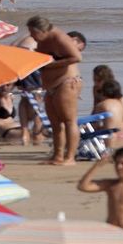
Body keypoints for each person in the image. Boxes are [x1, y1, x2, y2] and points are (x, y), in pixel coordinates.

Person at [27, 15, 82, 166]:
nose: (31, 36)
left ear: (43, 30)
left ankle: (70, 158)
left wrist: (51, 65)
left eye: (33, 33)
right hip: (50, 85)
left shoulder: (59, 38)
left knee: (69, 120)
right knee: (55, 123)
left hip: (66, 82)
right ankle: (57, 156)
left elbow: (77, 57)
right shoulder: (42, 40)